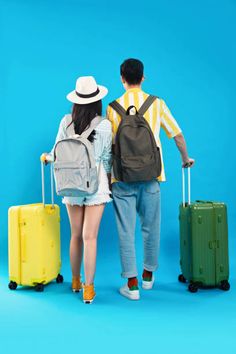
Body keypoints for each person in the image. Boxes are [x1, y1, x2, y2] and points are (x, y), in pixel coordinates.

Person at [106, 58, 195, 300]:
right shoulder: (156, 104)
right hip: (151, 175)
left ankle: (131, 285)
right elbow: (177, 134)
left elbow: (109, 148)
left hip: (121, 178)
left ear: (122, 79)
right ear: (143, 77)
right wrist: (185, 158)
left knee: (126, 230)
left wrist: (107, 179)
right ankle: (147, 277)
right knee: (150, 227)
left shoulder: (112, 107)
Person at [42, 76, 112, 304]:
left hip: (71, 183)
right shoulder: (104, 124)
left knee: (75, 236)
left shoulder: (66, 121)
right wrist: (109, 182)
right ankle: (88, 290)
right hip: (96, 183)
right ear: (97, 100)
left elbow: (56, 152)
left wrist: (47, 158)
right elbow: (106, 159)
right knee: (90, 237)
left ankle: (74, 281)